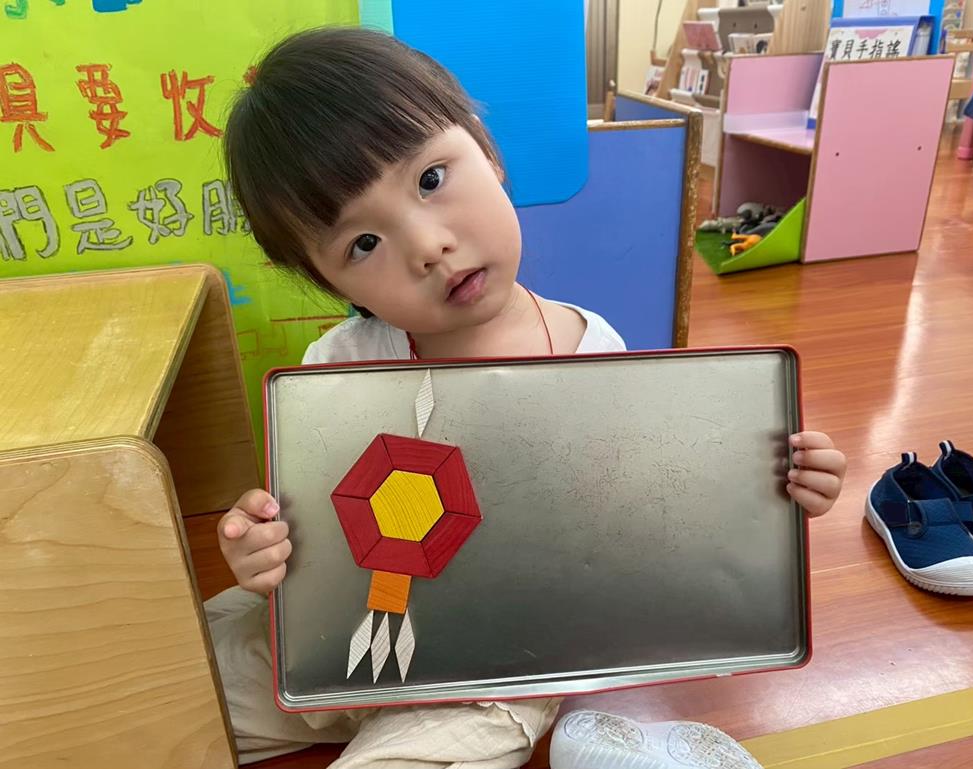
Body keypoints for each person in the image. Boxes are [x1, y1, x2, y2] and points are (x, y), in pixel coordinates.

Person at [209, 27, 848, 768]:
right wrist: (263, 550)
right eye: (363, 244)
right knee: (155, 681)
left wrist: (773, 486)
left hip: (498, 667)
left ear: (487, 151)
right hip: (343, 642)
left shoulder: (591, 355)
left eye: (430, 179)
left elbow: (647, 514)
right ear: (330, 283)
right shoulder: (337, 367)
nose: (427, 246)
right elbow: (310, 539)